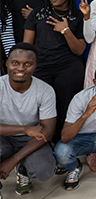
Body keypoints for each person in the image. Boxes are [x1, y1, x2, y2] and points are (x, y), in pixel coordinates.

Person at [23, 0, 86, 142]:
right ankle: (41, 143)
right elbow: (26, 47)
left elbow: (79, 50)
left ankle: (60, 144)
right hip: (41, 68)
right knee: (41, 109)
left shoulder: (77, 16)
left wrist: (66, 31)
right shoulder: (36, 15)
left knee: (64, 108)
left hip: (69, 69)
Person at [0, 43, 56, 197]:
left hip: (32, 139)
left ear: (35, 65)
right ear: (7, 63)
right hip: (4, 139)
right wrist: (24, 129)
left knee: (44, 171)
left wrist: (13, 160)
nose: (21, 68)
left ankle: (23, 169)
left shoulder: (45, 90)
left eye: (28, 64)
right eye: (15, 63)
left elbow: (48, 131)